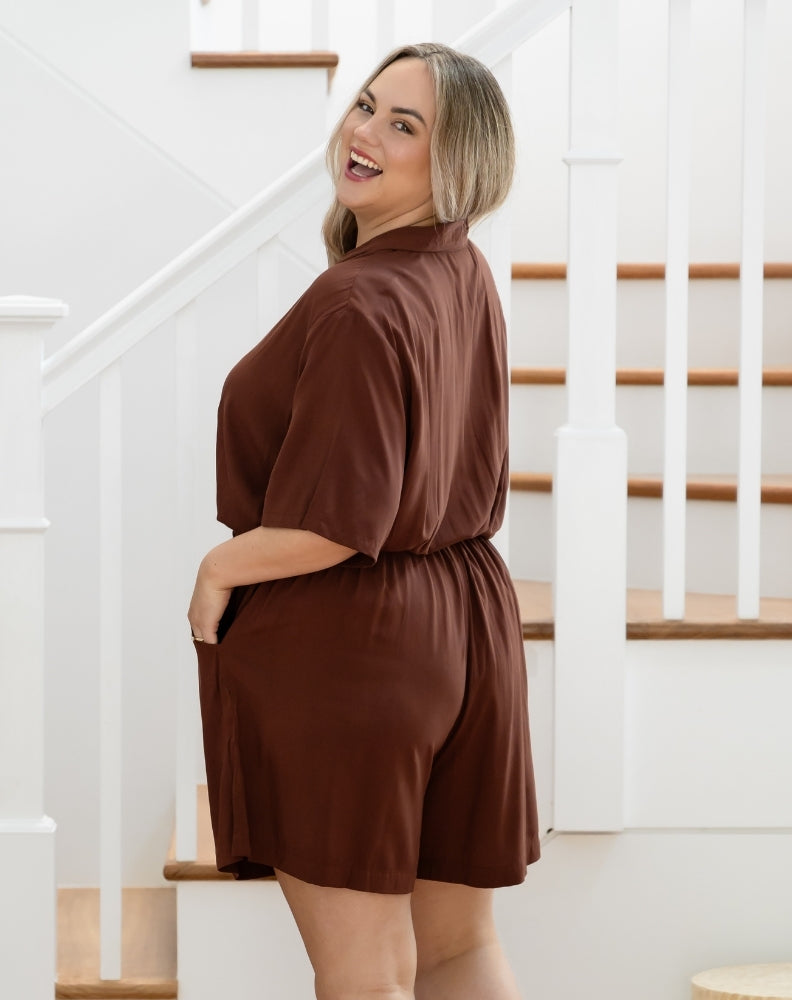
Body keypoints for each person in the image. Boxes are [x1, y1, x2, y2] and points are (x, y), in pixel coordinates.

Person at [188, 41, 540, 1000]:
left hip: (355, 643)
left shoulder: (358, 300)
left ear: (455, 161)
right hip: (466, 632)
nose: (365, 133)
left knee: (366, 977)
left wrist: (221, 570)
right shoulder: (462, 269)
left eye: (404, 124)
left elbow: (341, 520)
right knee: (460, 951)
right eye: (367, 105)